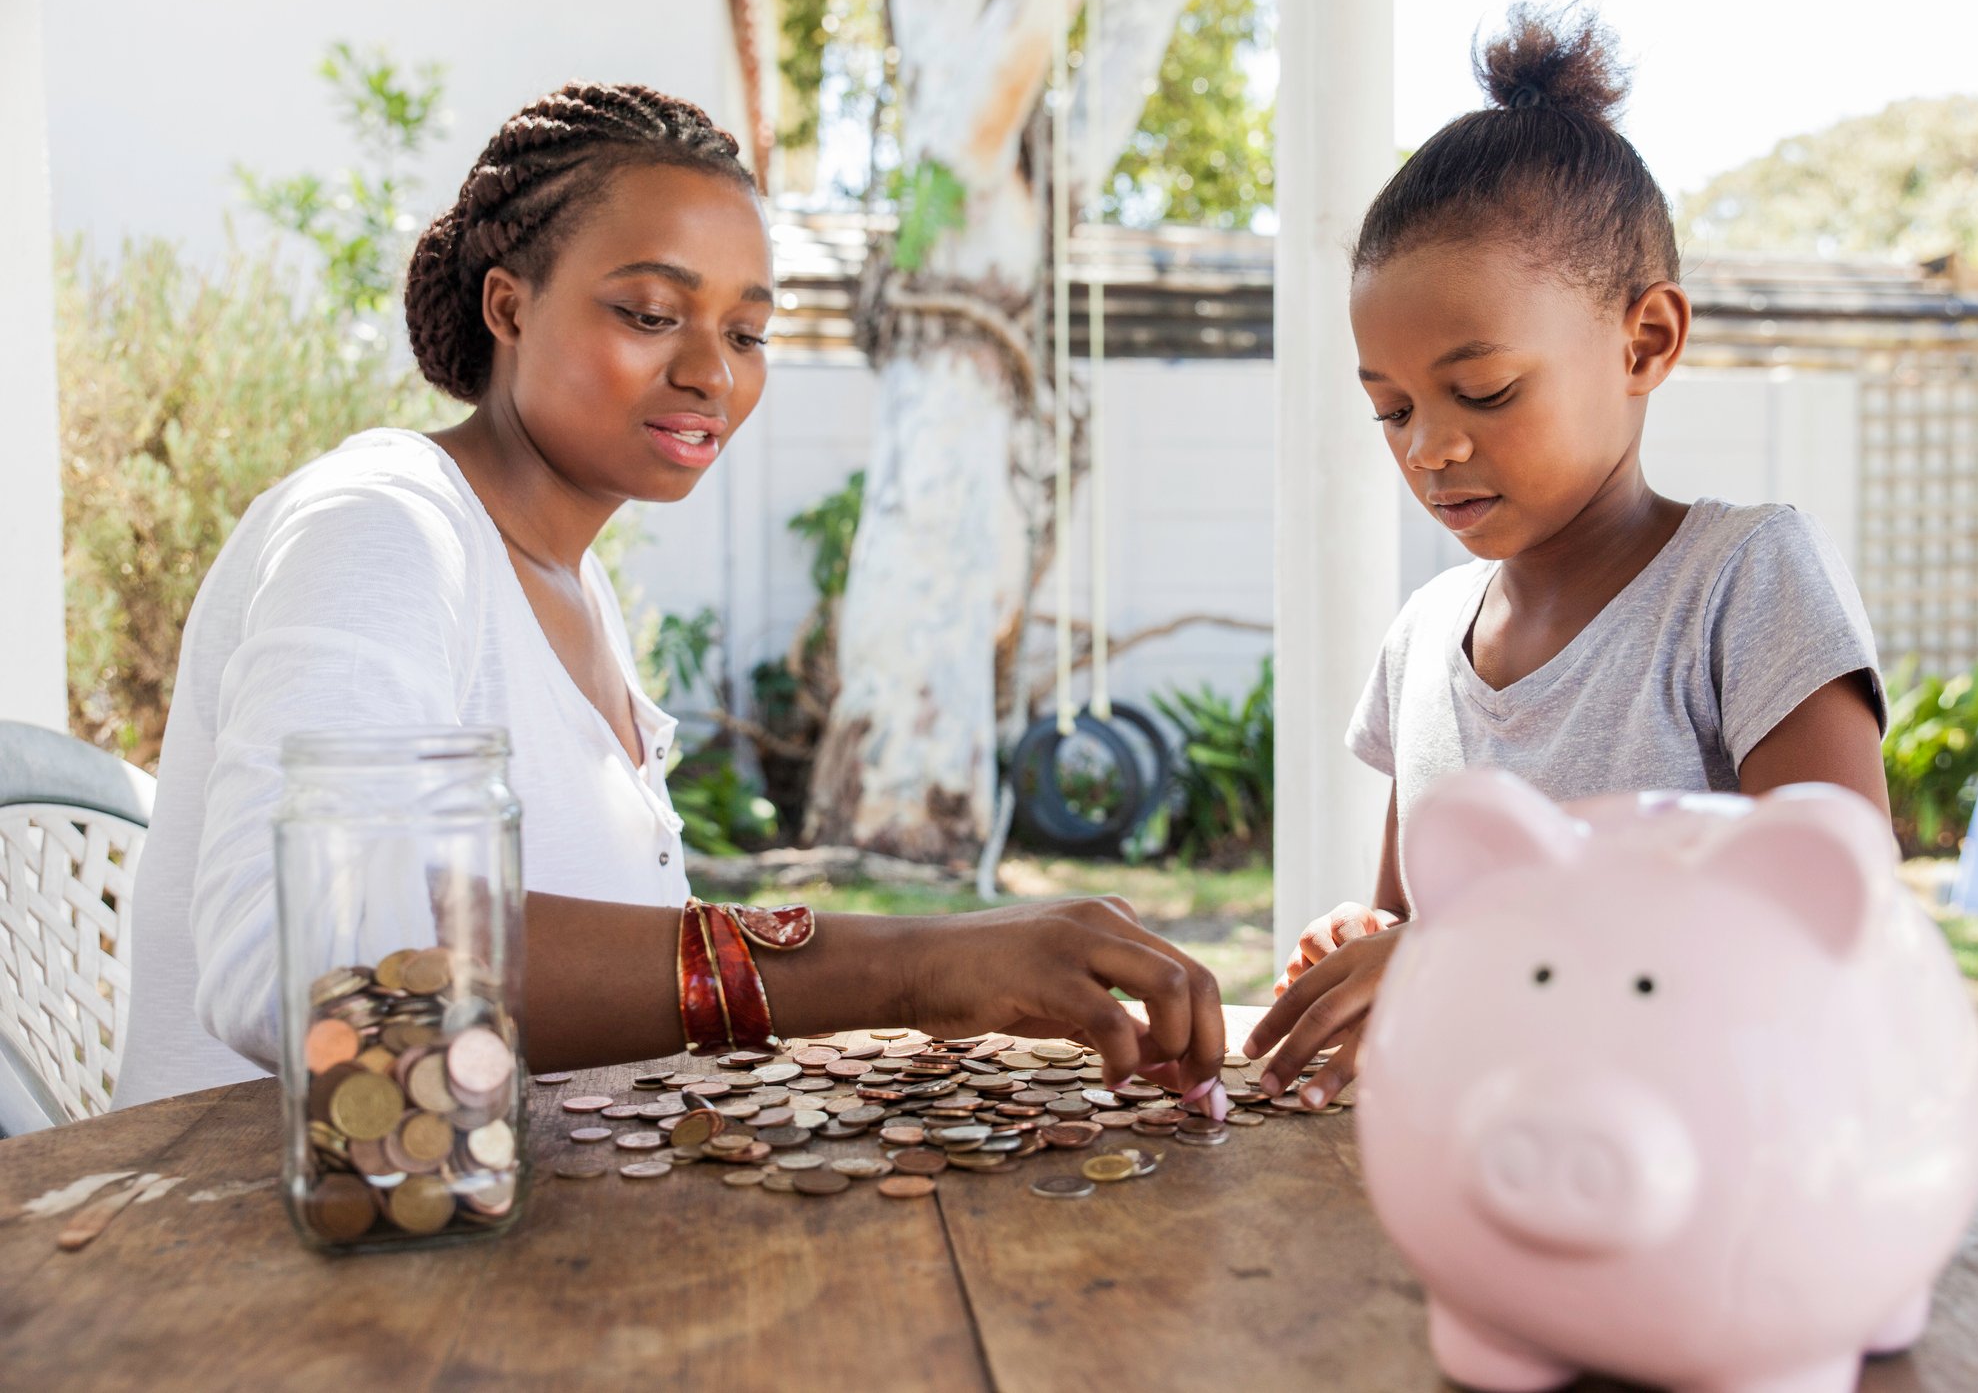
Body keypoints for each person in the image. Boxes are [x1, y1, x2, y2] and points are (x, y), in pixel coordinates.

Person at [115, 84, 1223, 1111]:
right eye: (651, 313)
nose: (713, 372)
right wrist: (914, 965)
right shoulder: (381, 525)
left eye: (747, 333)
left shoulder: (573, 579)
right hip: (279, 1266)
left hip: (511, 1228)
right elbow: (305, 966)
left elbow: (606, 974)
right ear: (508, 306)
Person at [1243, 7, 1890, 1109]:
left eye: (1483, 391)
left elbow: (1840, 924)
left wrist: (1466, 955)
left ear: (1645, 342)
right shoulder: (1423, 640)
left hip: (1709, 1181)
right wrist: (1371, 943)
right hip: (1483, 1174)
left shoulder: (1742, 584)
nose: (1430, 447)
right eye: (1390, 409)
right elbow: (1422, 921)